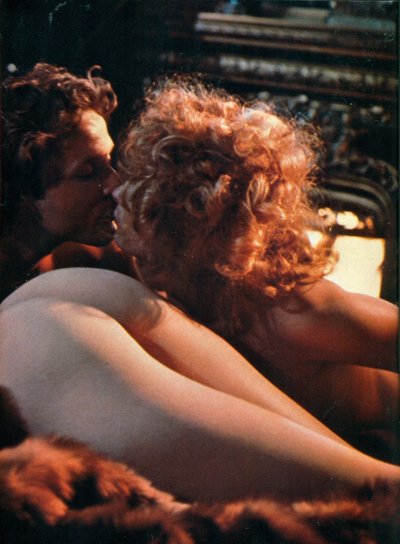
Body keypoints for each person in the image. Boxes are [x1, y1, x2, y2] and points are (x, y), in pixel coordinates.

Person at [113, 78, 399, 457]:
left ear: (192, 227)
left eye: (138, 190)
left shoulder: (294, 311)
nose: (115, 191)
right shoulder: (158, 278)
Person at [1, 266, 400, 505]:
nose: (114, 190)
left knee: (36, 324)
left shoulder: (297, 305)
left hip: (367, 435)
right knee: (50, 309)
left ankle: (378, 483)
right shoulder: (162, 296)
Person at [0, 63, 133, 301]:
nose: (117, 185)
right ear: (25, 190)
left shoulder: (91, 259)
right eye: (87, 173)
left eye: (108, 160)